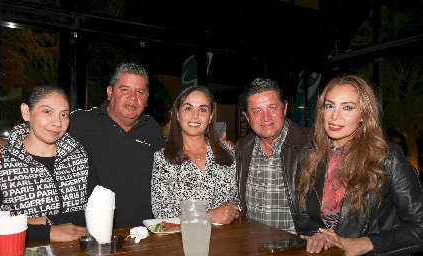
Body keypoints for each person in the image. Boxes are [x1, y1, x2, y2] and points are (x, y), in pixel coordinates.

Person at [0, 62, 166, 228]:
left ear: (147, 98)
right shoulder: (79, 122)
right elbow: (38, 138)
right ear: (110, 92)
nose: (133, 97)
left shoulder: (153, 129)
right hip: (97, 234)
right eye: (125, 89)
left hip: (145, 233)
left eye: (140, 92)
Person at [295, 75, 423, 255]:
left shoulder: (387, 158)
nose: (334, 116)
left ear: (364, 115)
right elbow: (301, 216)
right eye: (329, 106)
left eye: (347, 107)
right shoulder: (308, 157)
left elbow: (419, 225)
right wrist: (320, 234)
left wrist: (364, 243)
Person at [0, 84, 100, 243]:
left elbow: (99, 213)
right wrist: (48, 231)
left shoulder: (81, 158)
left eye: (64, 114)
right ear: (26, 112)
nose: (57, 122)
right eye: (47, 111)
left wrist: (34, 221)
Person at [151, 85, 240, 224]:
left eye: (202, 109)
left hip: (227, 239)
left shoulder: (227, 152)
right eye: (188, 108)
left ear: (210, 117)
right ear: (178, 114)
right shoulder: (163, 158)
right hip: (185, 241)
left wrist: (234, 210)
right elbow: (161, 212)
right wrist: (208, 216)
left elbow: (239, 200)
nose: (195, 116)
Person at [235, 77, 312, 234]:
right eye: (257, 111)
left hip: (296, 248)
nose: (266, 117)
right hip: (251, 247)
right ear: (247, 116)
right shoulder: (241, 149)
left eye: (272, 107)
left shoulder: (312, 144)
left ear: (284, 108)